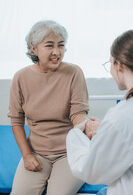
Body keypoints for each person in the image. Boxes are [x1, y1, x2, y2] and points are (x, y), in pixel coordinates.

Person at [66, 29, 133, 195]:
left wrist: (76, 134)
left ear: (120, 66)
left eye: (110, 63)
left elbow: (91, 171)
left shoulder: (124, 115)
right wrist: (106, 130)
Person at [8, 20, 94, 195]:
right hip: (37, 153)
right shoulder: (21, 77)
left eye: (61, 46)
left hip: (70, 153)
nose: (57, 52)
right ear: (34, 49)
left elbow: (78, 113)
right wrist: (27, 155)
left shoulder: (73, 73)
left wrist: (87, 124)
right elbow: (16, 121)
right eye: (49, 46)